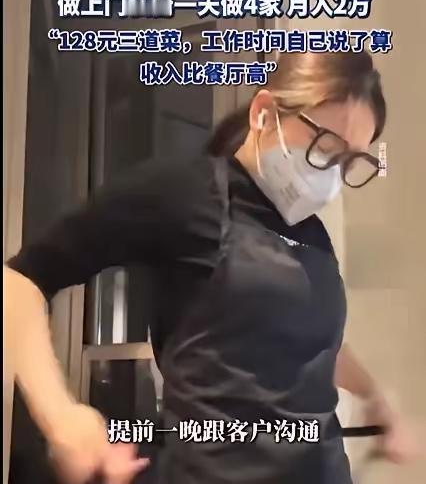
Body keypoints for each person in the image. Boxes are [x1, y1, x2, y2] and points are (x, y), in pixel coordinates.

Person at [4, 51, 416, 484]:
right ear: (263, 112)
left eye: (348, 162)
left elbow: (312, 344)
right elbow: (20, 280)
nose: (332, 176)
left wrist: (374, 396)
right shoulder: (185, 194)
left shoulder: (312, 234)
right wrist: (60, 417)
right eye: (325, 147)